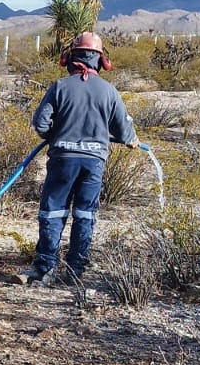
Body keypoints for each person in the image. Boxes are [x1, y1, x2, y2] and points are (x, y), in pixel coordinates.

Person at [21, 30, 140, 286]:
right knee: (86, 214)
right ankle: (75, 271)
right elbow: (124, 131)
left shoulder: (59, 87)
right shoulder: (109, 92)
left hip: (62, 160)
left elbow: (40, 124)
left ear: (70, 58)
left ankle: (44, 271)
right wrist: (131, 140)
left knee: (52, 213)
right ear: (101, 60)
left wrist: (56, 135)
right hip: (93, 163)